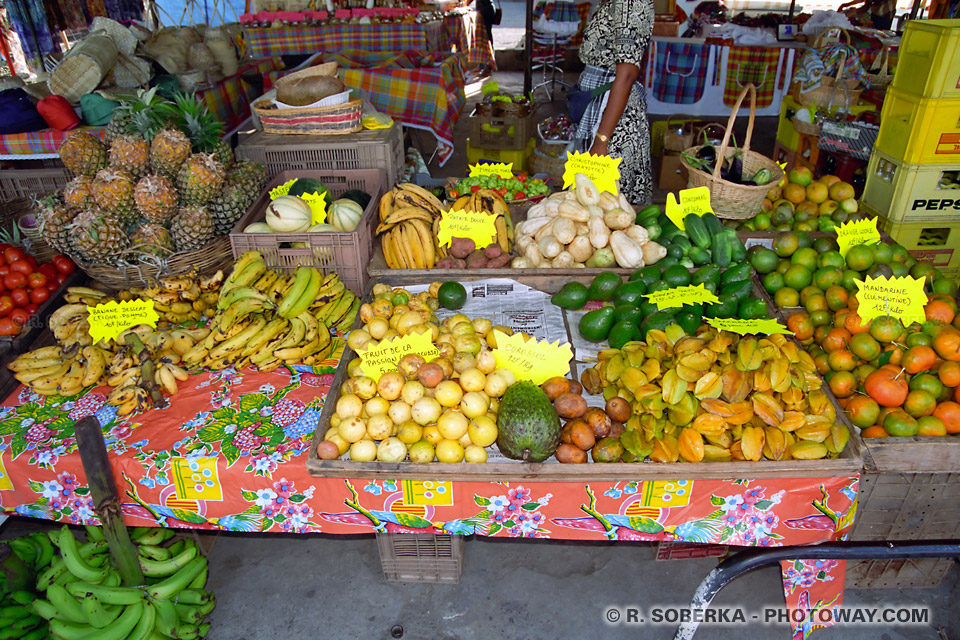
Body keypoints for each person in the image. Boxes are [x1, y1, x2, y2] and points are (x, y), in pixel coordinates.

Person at [571, 0, 655, 205]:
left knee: (612, 208)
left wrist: (601, 140)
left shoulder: (632, 2)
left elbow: (626, 74)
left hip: (615, 125)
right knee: (589, 208)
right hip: (598, 110)